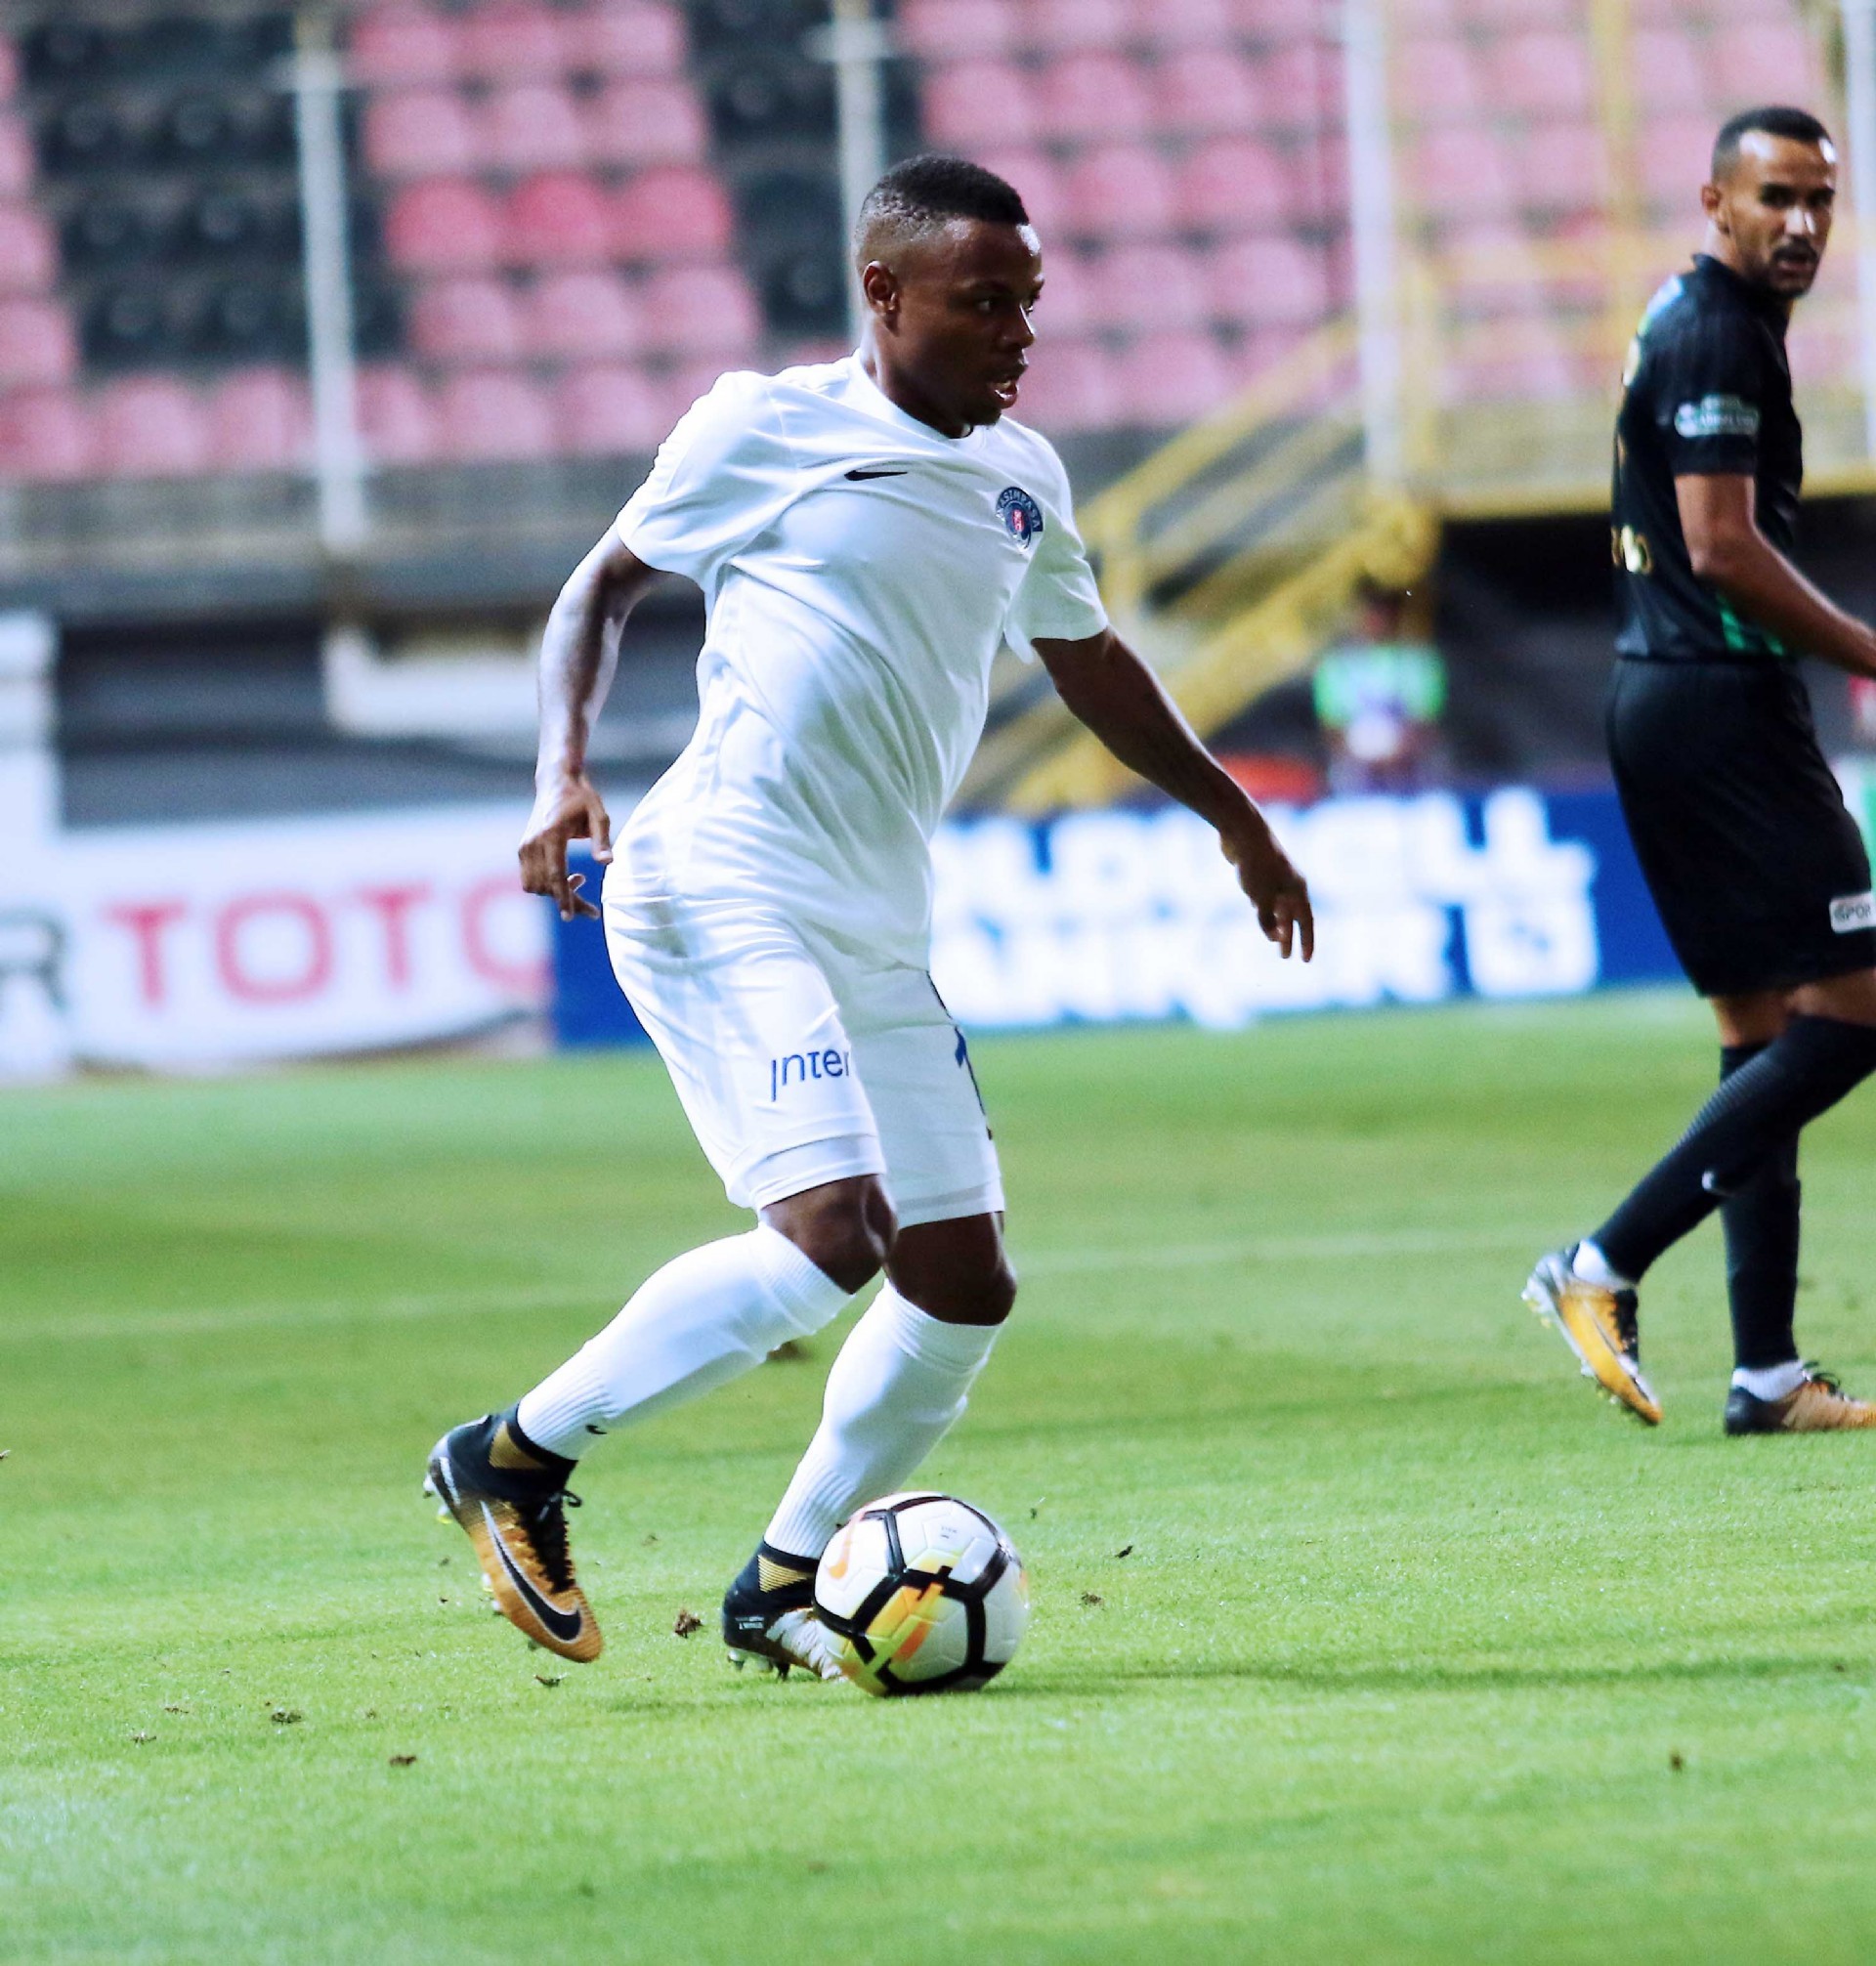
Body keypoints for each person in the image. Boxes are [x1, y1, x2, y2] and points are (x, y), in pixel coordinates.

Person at [424, 156, 1315, 1671]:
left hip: (876, 927)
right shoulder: (765, 426)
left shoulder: (1023, 475)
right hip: (723, 877)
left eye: (1029, 303)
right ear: (885, 294)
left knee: (961, 1282)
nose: (1018, 334)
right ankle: (513, 1456)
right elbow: (600, 591)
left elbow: (1089, 660)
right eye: (986, 303)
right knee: (830, 1235)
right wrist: (561, 771)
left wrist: (1235, 814)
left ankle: (782, 1579)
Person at [1525, 107, 1876, 1435]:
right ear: (1717, 201)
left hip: (1663, 698)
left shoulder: (1696, 317)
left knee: (1762, 1035)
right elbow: (1722, 548)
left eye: (1820, 199)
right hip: (1723, 705)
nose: (1802, 223)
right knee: (1859, 1002)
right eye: (1776, 195)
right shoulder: (1720, 332)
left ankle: (1767, 1372)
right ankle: (1602, 1259)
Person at [1311, 583, 1446, 794]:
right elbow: (1332, 727)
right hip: (1355, 770)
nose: (1376, 620)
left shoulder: (1419, 661)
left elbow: (1425, 722)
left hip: (1410, 769)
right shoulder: (1335, 666)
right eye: (1370, 613)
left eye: (1383, 613)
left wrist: (1394, 757)